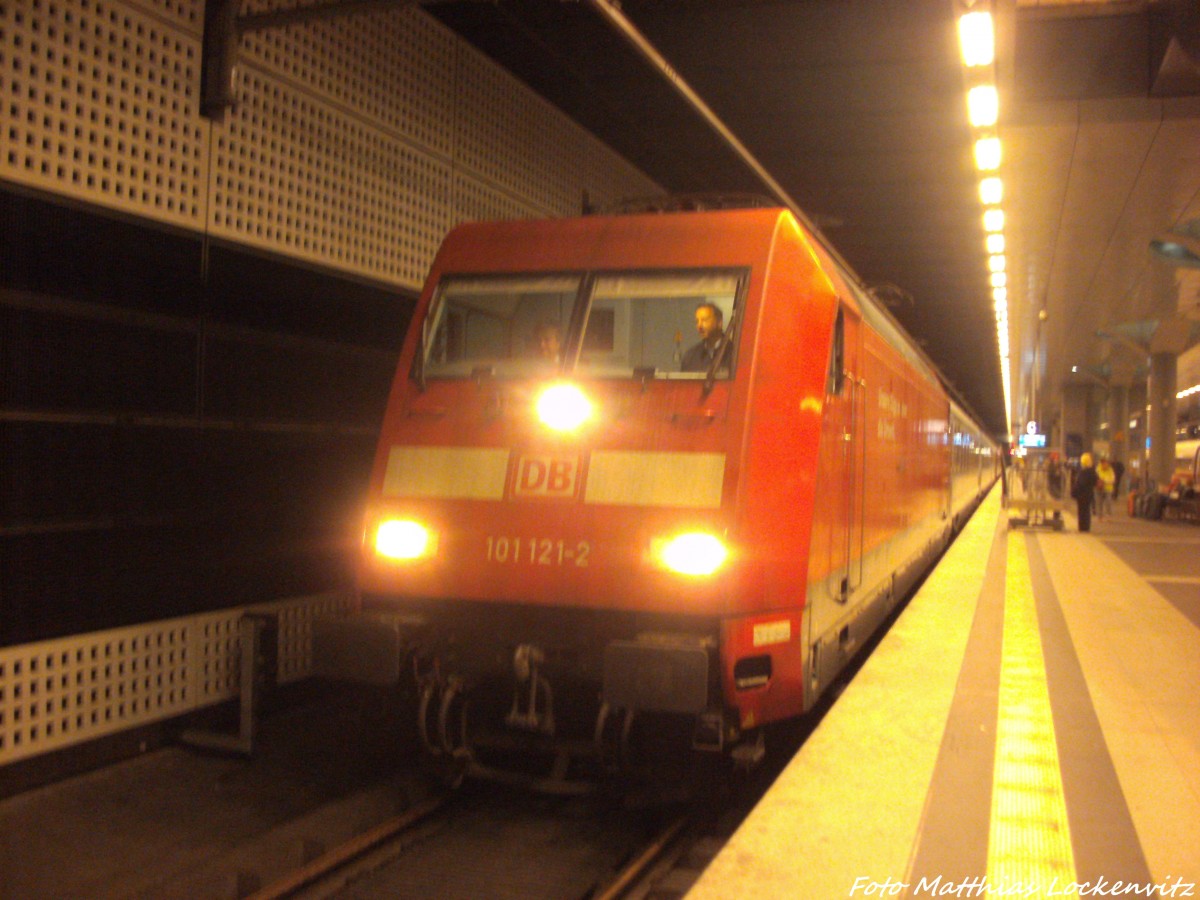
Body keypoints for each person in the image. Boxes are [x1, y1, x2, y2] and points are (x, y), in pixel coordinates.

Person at [680, 302, 725, 372]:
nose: (699, 326)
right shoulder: (690, 357)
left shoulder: (734, 353)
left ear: (719, 323)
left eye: (705, 320)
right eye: (697, 321)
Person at [1072, 452, 1099, 532]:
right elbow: (1095, 482)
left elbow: (1081, 483)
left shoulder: (1083, 472)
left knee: (1081, 511)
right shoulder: (1093, 471)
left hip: (1082, 495)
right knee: (1087, 511)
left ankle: (1082, 527)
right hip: (1089, 494)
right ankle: (1086, 527)